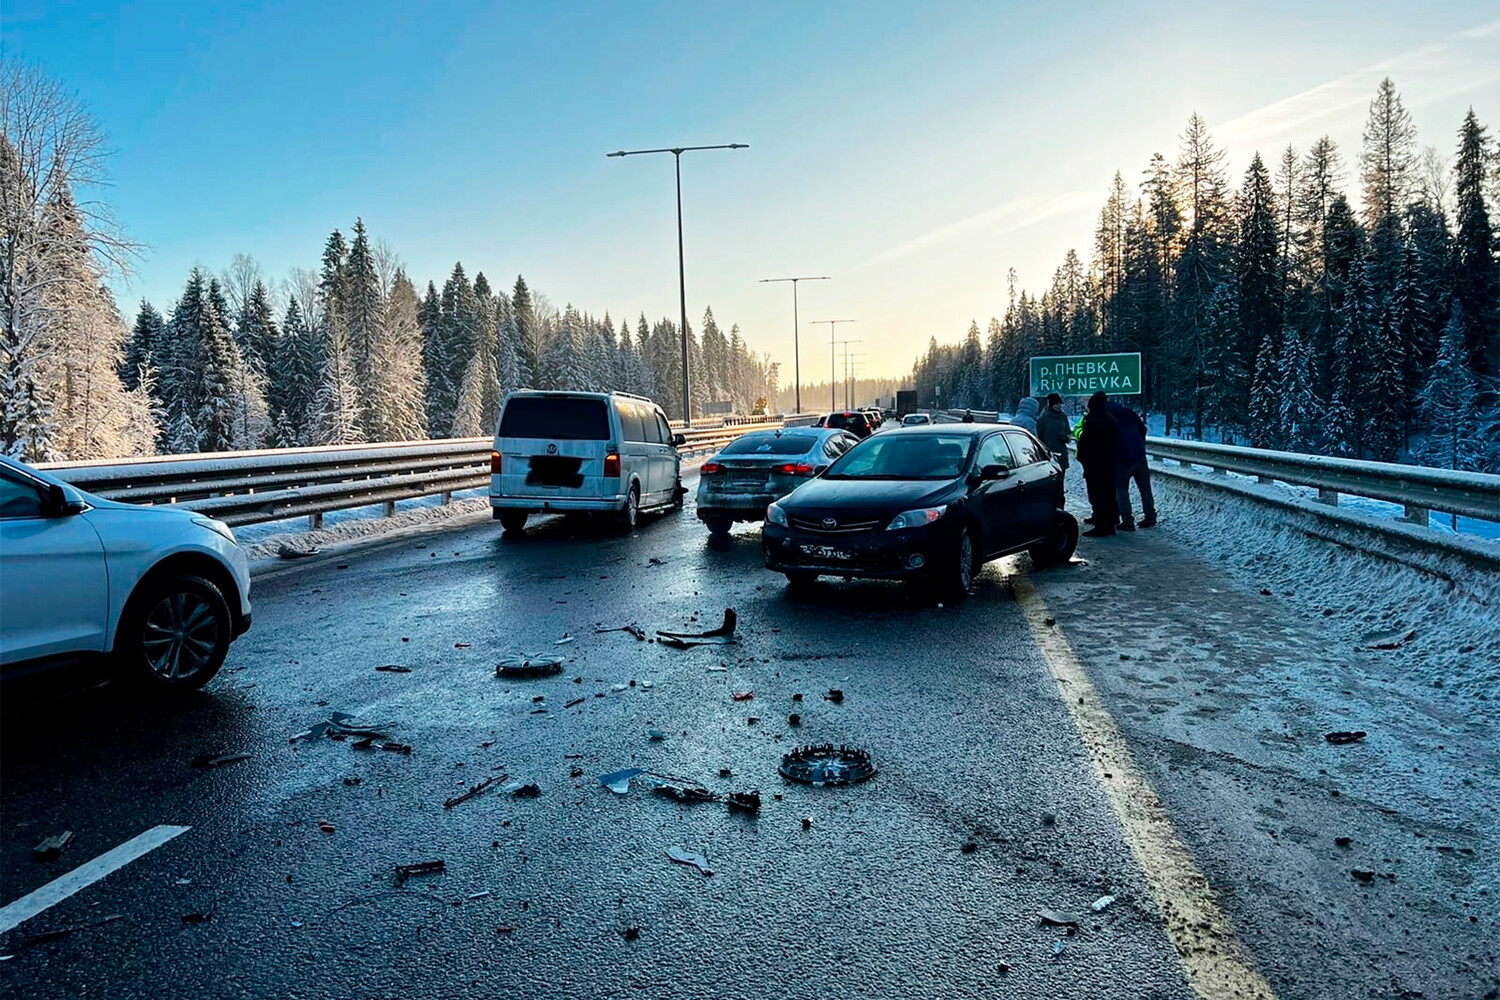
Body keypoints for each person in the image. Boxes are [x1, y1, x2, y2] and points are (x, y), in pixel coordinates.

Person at [1107, 400, 1157, 530]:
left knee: (1122, 491)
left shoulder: (1108, 417)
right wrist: (1139, 444)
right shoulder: (1130, 413)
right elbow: (1143, 429)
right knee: (1145, 489)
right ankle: (1150, 516)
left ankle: (1128, 521)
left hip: (1121, 459)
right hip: (1139, 456)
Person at [1076, 391, 1119, 537]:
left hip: (1094, 463)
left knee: (1097, 494)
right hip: (1110, 462)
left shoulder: (1091, 421)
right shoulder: (1111, 420)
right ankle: (1112, 523)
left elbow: (1085, 442)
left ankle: (1100, 525)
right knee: (1110, 493)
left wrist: (1082, 457)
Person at [1036, 393, 1071, 501]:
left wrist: (1065, 437)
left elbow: (1068, 432)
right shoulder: (1043, 418)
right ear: (1051, 405)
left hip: (1061, 452)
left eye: (1060, 404)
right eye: (1057, 404)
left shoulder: (1063, 417)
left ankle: (1060, 501)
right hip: (1049, 454)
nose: (1059, 406)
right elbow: (1039, 436)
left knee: (1061, 481)